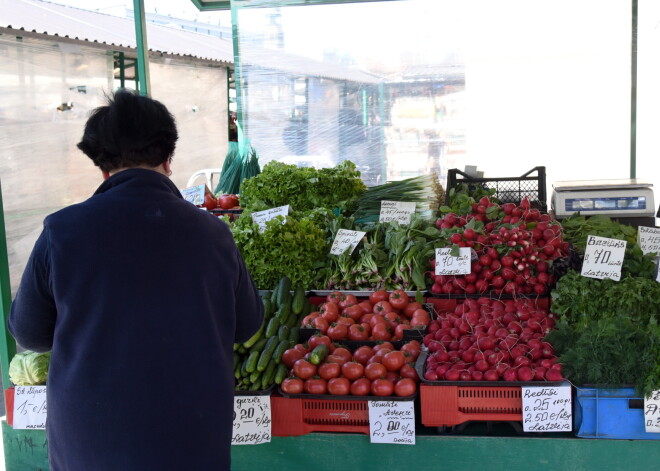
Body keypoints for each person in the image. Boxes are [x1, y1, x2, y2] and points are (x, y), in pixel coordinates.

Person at [8, 89, 263, 471]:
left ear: (103, 166)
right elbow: (247, 325)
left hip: (92, 438)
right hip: (192, 434)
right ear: (168, 158)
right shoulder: (213, 233)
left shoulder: (62, 231)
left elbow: (30, 334)